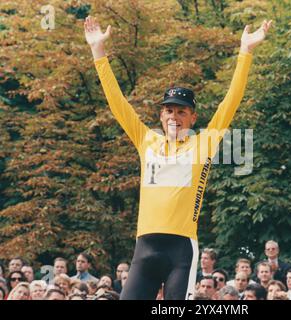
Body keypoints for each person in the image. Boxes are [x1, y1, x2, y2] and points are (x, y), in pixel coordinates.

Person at [84, 14, 272, 300]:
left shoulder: (203, 144)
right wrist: (98, 51)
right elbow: (117, 103)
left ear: (192, 117)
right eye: (169, 110)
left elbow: (230, 103)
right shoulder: (146, 139)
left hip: (180, 250)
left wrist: (245, 52)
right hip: (144, 248)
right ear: (161, 115)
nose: (174, 116)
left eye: (181, 111)